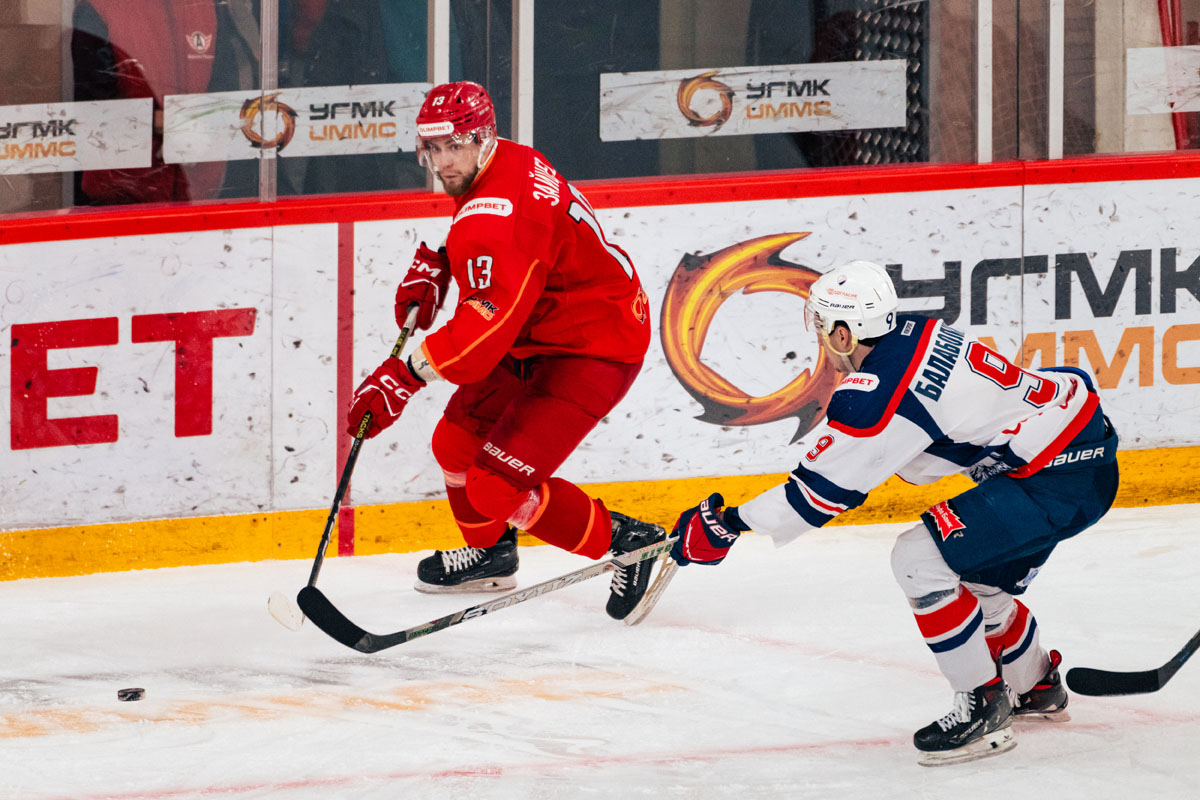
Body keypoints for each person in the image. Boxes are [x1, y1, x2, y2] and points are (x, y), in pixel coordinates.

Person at [667, 260, 1119, 766]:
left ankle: (982, 703)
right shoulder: (916, 332)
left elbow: (816, 496)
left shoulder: (880, 392)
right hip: (1080, 454)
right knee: (979, 585)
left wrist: (726, 525)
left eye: (823, 328)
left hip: (1055, 480)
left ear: (843, 334)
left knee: (918, 561)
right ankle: (1036, 686)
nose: (821, 340)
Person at [345, 81, 665, 620]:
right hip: (540, 328)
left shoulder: (499, 217)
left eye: (454, 147)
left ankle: (630, 543)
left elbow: (480, 336)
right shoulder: (505, 161)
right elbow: (501, 248)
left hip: (593, 344)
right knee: (454, 444)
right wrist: (441, 261)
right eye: (433, 148)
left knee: (494, 487)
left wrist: (402, 375)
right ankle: (491, 555)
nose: (442, 163)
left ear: (483, 137)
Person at [72, 0, 227, 205]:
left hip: (198, 192)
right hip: (124, 197)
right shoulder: (100, 9)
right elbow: (89, 111)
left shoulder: (205, 7)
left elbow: (229, 92)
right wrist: (157, 121)